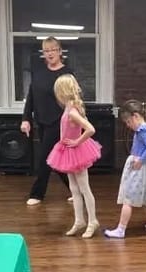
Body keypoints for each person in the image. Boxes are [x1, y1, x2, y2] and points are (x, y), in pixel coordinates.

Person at [46, 74, 101, 238]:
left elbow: (90, 129)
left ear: (62, 92)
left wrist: (77, 141)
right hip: (67, 150)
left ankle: (92, 221)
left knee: (84, 188)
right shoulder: (70, 108)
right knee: (74, 188)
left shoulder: (72, 112)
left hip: (76, 151)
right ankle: (79, 221)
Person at [21, 36, 73, 206]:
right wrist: (26, 119)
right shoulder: (39, 72)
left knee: (45, 158)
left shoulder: (67, 73)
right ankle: (76, 190)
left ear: (59, 51)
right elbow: (32, 96)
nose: (50, 53)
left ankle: (37, 194)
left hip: (59, 122)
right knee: (55, 159)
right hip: (42, 121)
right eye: (46, 50)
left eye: (53, 50)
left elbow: (73, 99)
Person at [104, 100, 146, 238]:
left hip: (140, 168)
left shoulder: (142, 130)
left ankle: (121, 229)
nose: (128, 125)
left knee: (128, 198)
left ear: (135, 116)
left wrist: (141, 160)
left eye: (128, 122)